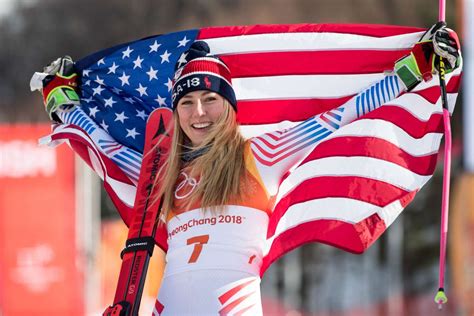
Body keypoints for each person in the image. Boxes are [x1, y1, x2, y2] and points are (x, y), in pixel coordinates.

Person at [36, 22, 460, 315]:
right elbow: (104, 146)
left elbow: (343, 114)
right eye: (186, 103)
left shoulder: (263, 154)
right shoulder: (160, 169)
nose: (198, 113)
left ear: (229, 108)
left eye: (210, 100)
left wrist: (416, 66)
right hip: (169, 307)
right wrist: (62, 102)